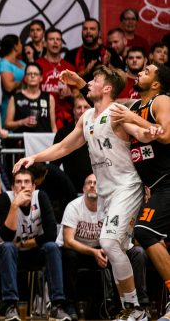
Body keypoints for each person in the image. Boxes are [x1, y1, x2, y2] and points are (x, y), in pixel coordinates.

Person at [14, 65, 161, 321]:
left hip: (127, 186)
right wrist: (34, 157)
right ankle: (131, 308)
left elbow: (139, 132)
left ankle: (135, 308)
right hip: (107, 193)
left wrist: (148, 132)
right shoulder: (87, 117)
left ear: (107, 88)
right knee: (115, 248)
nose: (88, 83)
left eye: (95, 80)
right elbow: (63, 147)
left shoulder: (117, 111)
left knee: (109, 243)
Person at [110, 63, 170, 321]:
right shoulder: (134, 106)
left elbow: (166, 135)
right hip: (154, 186)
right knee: (149, 236)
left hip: (168, 181)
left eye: (147, 71)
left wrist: (132, 118)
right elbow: (107, 107)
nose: (140, 72)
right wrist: (81, 85)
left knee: (144, 231)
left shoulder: (161, 100)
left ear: (156, 83)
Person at [57, 174, 149, 319]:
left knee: (131, 254)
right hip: (79, 251)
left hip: (103, 249)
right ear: (83, 188)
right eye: (89, 183)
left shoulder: (110, 207)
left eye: (96, 183)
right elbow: (68, 241)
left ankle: (129, 307)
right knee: (69, 256)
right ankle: (69, 306)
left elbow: (119, 236)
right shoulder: (74, 206)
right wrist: (93, 252)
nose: (92, 185)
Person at [0, 168, 73, 321]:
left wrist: (24, 243)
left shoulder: (40, 196)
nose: (23, 186)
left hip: (33, 251)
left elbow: (51, 234)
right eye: (18, 182)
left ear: (33, 186)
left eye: (26, 182)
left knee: (52, 247)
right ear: (12, 187)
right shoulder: (4, 199)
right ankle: (10, 305)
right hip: (9, 255)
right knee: (8, 247)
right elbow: (7, 237)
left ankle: (57, 305)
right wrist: (14, 206)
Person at [37, 28, 76, 129]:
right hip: (42, 116)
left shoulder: (69, 67)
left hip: (65, 118)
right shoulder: (37, 65)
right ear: (44, 44)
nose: (55, 42)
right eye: (51, 39)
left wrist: (70, 93)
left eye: (58, 39)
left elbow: (79, 96)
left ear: (61, 43)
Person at [52, 94, 93, 190]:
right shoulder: (63, 133)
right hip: (71, 189)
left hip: (96, 188)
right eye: (79, 107)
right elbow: (54, 164)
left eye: (86, 107)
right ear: (73, 110)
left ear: (91, 110)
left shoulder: (98, 129)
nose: (82, 111)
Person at [5, 62, 57, 133]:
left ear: (41, 78)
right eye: (29, 74)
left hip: (44, 139)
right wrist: (22, 122)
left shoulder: (49, 98)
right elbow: (7, 124)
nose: (32, 76)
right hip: (22, 139)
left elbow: (53, 126)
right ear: (25, 78)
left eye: (35, 74)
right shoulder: (15, 98)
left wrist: (56, 139)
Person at [0, 34, 26, 124]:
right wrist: (24, 82)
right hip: (8, 105)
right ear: (15, 46)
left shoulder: (21, 62)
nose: (22, 46)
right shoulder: (4, 64)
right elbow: (8, 87)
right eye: (20, 43)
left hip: (24, 104)